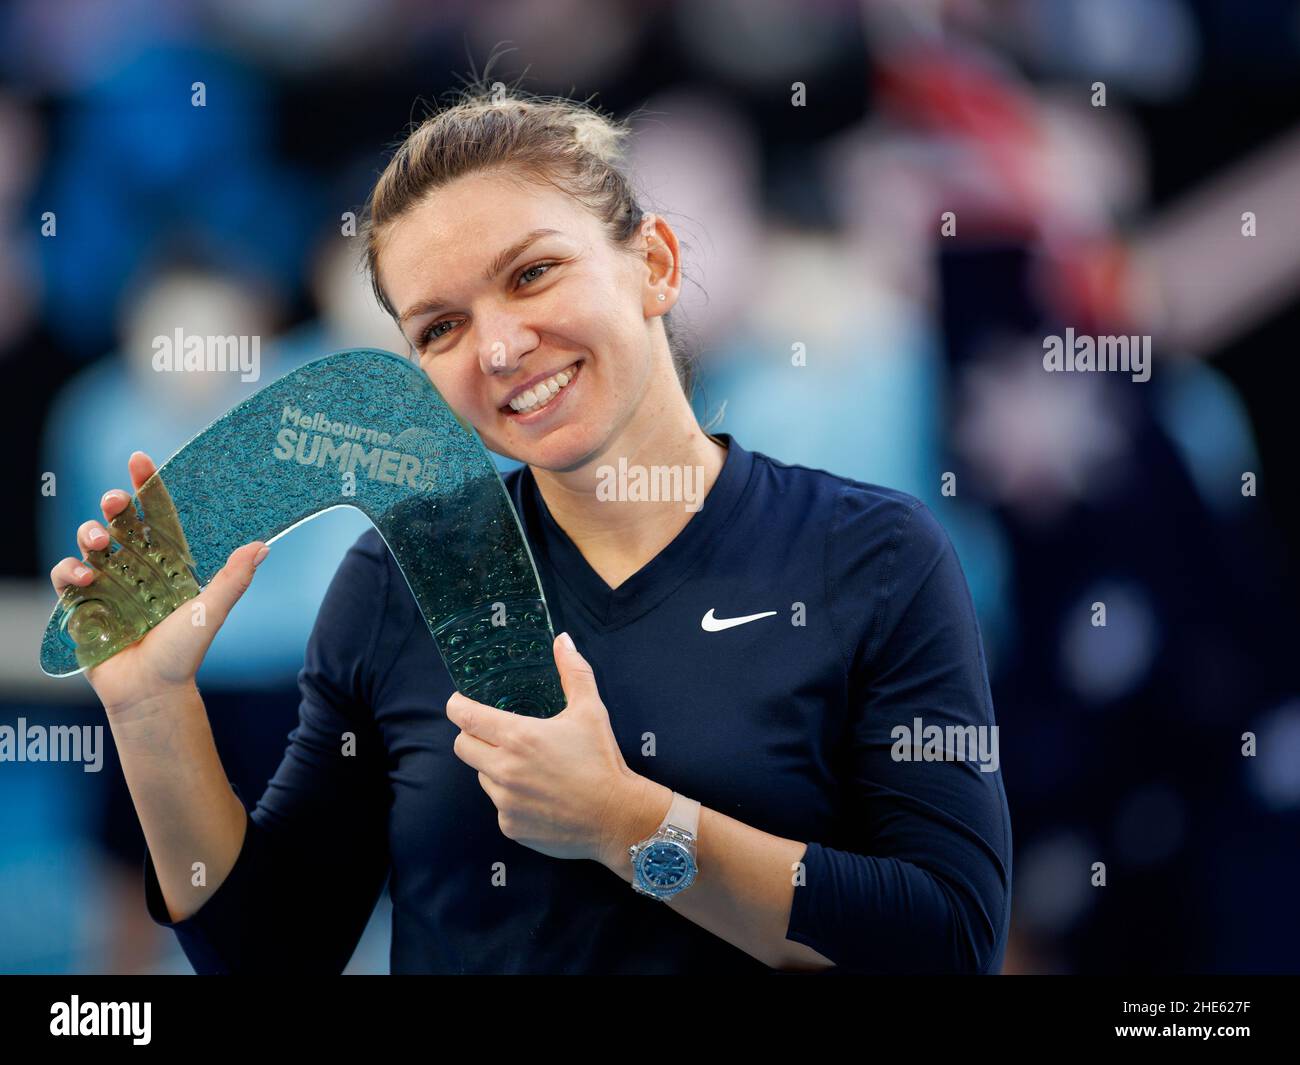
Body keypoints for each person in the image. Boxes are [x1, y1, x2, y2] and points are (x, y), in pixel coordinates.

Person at [48, 83, 1011, 974]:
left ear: (657, 265)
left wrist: (631, 826)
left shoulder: (871, 555)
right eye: (440, 327)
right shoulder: (401, 578)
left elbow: (949, 937)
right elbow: (272, 950)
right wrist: (151, 710)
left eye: (534, 273)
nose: (501, 347)